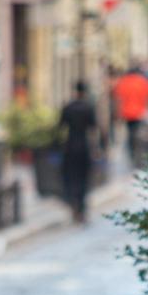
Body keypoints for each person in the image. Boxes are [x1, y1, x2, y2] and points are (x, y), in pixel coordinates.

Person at [59, 80, 101, 223]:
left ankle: (74, 204)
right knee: (84, 178)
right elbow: (94, 129)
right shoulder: (89, 108)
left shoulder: (68, 107)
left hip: (70, 146)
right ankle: (81, 207)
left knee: (71, 177)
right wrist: (97, 149)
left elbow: (60, 127)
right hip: (84, 147)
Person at [111, 62, 148, 168]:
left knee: (130, 134)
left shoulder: (122, 82)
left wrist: (117, 114)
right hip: (141, 113)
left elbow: (118, 100)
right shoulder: (144, 82)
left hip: (127, 114)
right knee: (140, 134)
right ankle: (140, 154)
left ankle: (132, 154)